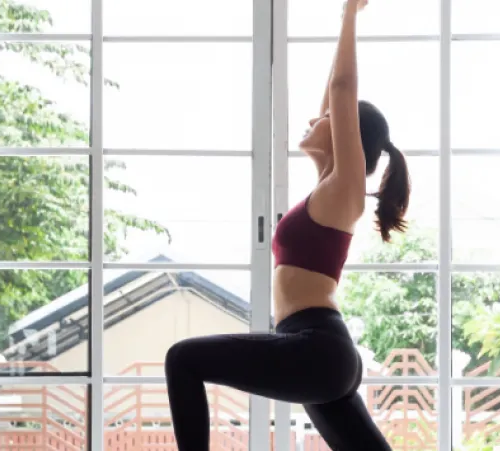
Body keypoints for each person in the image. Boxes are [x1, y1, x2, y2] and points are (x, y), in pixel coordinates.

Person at [163, 0, 410, 449]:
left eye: (326, 118)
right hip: (313, 350)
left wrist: (349, 13)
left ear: (344, 134)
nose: (314, 118)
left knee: (183, 360)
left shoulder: (344, 190)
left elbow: (341, 88)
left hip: (317, 347)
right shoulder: (325, 189)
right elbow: (332, 98)